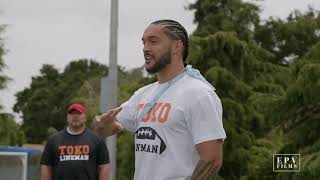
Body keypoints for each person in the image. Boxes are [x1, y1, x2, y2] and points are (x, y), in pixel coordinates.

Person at [94, 19, 226, 180]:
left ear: (177, 46)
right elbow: (110, 129)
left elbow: (212, 159)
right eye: (144, 43)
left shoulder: (199, 94)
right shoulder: (143, 95)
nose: (146, 49)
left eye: (153, 42)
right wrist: (102, 126)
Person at [41, 103, 110, 180]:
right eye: (72, 113)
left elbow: (103, 167)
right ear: (67, 117)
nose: (75, 116)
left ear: (85, 117)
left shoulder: (97, 140)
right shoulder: (53, 140)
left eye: (79, 113)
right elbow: (46, 167)